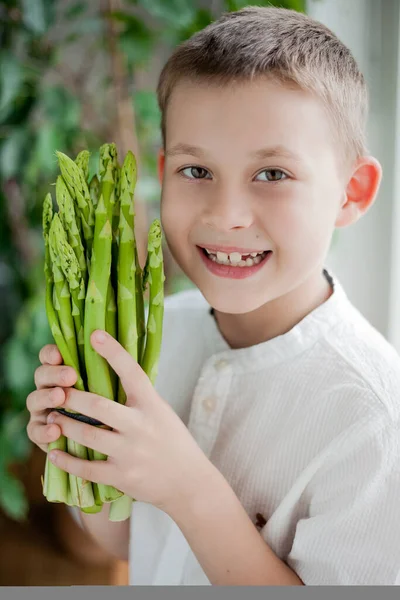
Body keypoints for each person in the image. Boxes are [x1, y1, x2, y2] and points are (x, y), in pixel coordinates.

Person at [26, 6, 400, 586]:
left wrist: (189, 487)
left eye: (272, 174)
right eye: (196, 170)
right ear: (163, 171)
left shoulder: (375, 423)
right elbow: (126, 539)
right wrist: (81, 449)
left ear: (351, 192)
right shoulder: (154, 336)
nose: (226, 216)